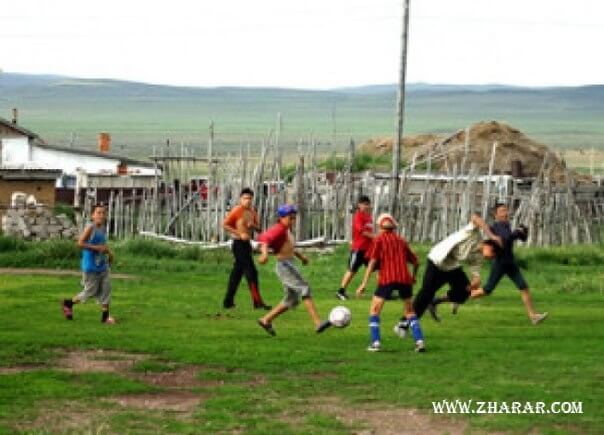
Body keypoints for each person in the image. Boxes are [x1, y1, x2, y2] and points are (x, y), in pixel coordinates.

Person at [411, 214, 501, 323]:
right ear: (489, 246)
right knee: (426, 293)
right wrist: (492, 236)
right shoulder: (473, 233)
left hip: (451, 266)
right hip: (437, 259)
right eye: (493, 254)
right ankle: (406, 322)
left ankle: (434, 302)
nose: (492, 257)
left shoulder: (479, 257)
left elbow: (475, 270)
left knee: (464, 292)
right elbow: (475, 218)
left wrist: (476, 280)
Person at [256, 204, 331, 336]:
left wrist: (301, 257)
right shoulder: (278, 229)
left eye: (294, 218)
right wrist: (265, 254)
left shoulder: (286, 230)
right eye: (290, 218)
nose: (293, 220)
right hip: (284, 266)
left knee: (292, 299)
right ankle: (318, 323)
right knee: (304, 288)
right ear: (281, 217)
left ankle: (266, 320)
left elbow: (289, 247)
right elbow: (264, 240)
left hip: (289, 264)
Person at [356, 213, 425, 352]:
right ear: (393, 227)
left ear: (380, 226)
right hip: (404, 279)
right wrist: (413, 276)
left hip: (387, 278)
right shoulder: (401, 241)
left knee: (374, 311)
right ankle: (419, 341)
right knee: (410, 312)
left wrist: (364, 284)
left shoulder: (378, 240)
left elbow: (372, 262)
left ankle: (375, 343)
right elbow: (416, 262)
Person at [470, 203, 548, 325]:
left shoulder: (507, 225)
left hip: (511, 263)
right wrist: (517, 232)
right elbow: (505, 239)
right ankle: (461, 296)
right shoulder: (495, 227)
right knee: (487, 290)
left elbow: (521, 239)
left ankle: (533, 316)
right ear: (496, 215)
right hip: (500, 264)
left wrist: (523, 232)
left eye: (506, 210)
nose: (505, 213)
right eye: (502, 211)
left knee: (524, 287)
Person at [62, 204, 115, 324]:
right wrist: (96, 248)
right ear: (93, 215)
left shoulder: (103, 228)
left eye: (103, 213)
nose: (101, 215)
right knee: (90, 292)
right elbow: (80, 243)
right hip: (90, 266)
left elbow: (102, 245)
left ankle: (105, 318)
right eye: (98, 213)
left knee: (106, 290)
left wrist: (109, 253)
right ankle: (68, 303)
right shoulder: (90, 228)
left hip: (102, 265)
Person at [222, 188, 270, 310]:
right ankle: (257, 302)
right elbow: (225, 225)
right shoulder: (237, 210)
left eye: (249, 198)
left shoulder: (252, 212)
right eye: (245, 198)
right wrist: (239, 233)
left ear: (252, 199)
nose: (247, 201)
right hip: (238, 244)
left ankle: (228, 302)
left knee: (237, 274)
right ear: (241, 199)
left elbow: (259, 229)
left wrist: (253, 226)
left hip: (247, 244)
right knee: (252, 272)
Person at [336, 195, 375, 301]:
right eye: (365, 204)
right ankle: (340, 291)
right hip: (358, 249)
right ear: (359, 205)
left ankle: (383, 291)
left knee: (376, 268)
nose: (367, 206)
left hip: (369, 250)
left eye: (368, 204)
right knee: (352, 270)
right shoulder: (358, 216)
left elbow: (369, 231)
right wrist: (376, 237)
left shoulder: (369, 217)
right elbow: (362, 232)